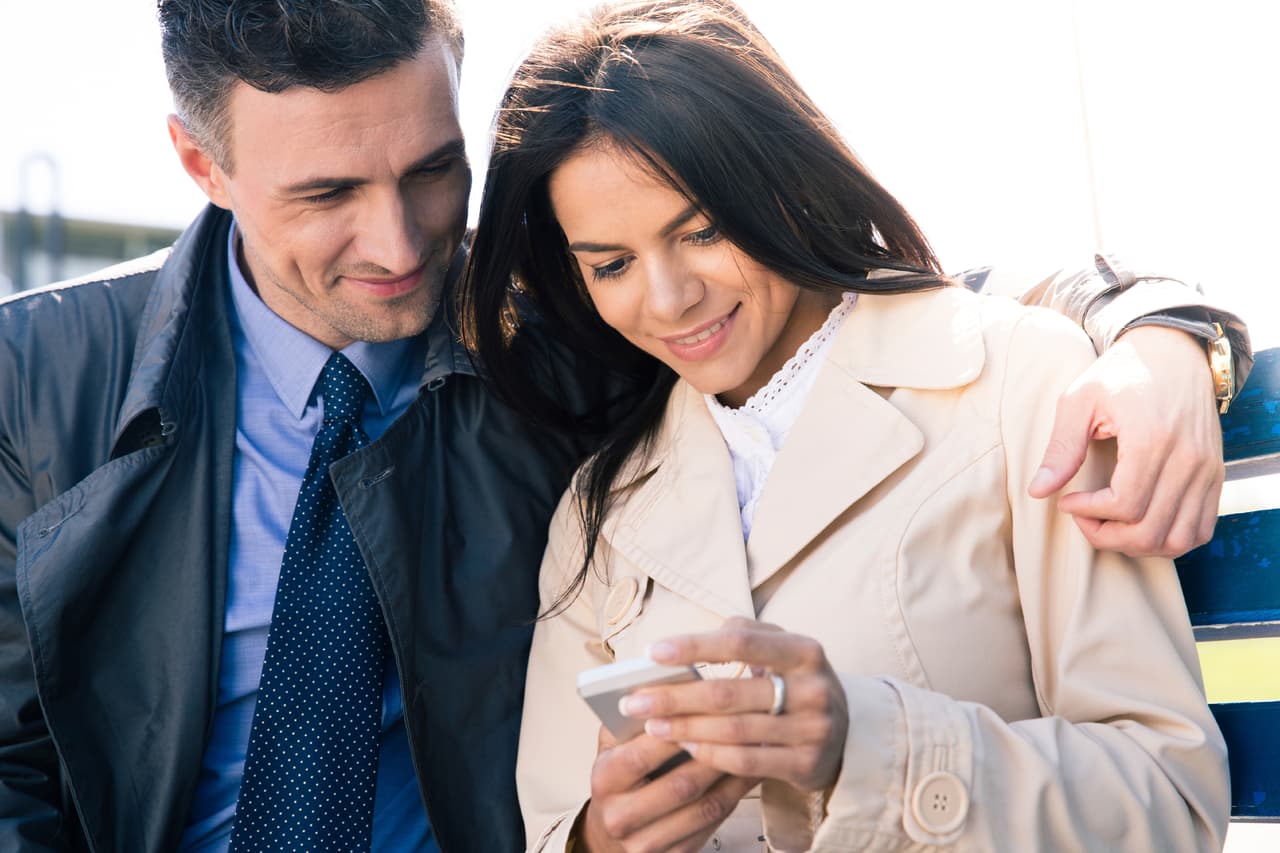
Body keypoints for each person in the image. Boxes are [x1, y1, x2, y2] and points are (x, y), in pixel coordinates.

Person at [0, 0, 1242, 851]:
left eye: (434, 172)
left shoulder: (552, 329)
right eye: (325, 194)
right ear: (196, 162)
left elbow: (869, 298)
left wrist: (1157, 329)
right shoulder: (34, 384)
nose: (397, 247)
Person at [458, 1, 1233, 850]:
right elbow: (554, 827)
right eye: (611, 264)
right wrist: (603, 836)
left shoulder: (1016, 379)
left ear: (782, 182)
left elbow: (1170, 800)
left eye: (705, 230)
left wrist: (864, 746)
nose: (670, 299)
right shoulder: (598, 515)